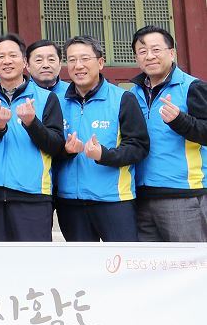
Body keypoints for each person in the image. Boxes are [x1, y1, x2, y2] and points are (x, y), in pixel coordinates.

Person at [55, 36, 149, 242]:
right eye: (71, 60)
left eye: (84, 59)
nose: (78, 66)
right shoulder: (57, 102)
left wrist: (103, 155)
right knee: (82, 268)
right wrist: (66, 151)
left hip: (114, 201)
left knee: (121, 266)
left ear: (100, 62)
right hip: (70, 202)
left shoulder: (123, 98)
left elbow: (139, 147)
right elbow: (50, 146)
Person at [0, 34, 64, 241]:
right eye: (0, 57)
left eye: (13, 55)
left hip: (33, 195)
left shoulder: (46, 98)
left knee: (34, 265)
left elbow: (56, 146)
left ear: (24, 62)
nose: (7, 61)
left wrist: (32, 123)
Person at [128, 26, 207, 242]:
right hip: (141, 194)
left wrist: (180, 121)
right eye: (142, 52)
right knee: (151, 271)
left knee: (191, 270)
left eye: (156, 49)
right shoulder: (131, 94)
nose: (150, 56)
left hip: (183, 196)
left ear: (171, 53)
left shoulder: (193, 88)